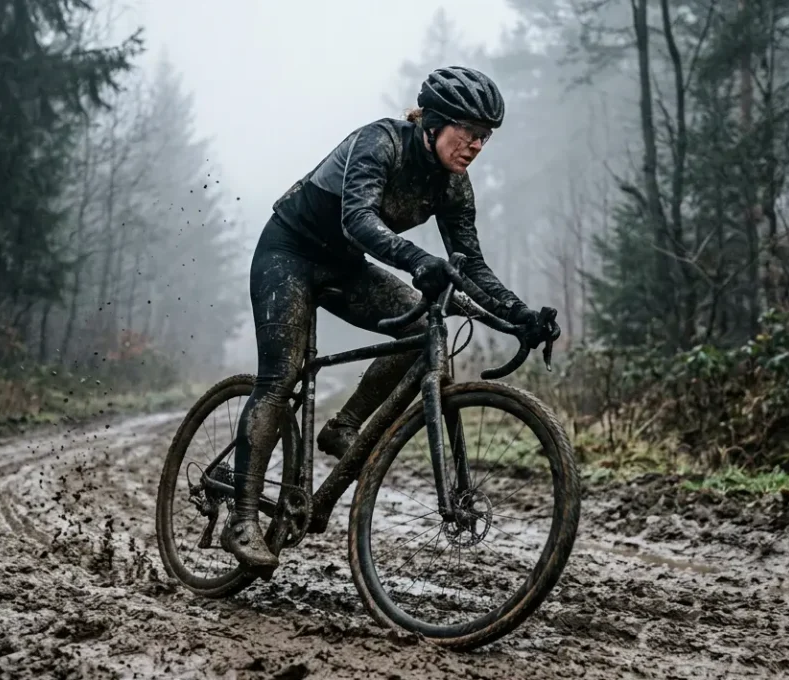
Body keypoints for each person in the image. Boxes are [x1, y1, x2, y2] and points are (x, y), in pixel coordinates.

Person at [224, 66, 560, 568]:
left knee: (421, 330)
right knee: (282, 376)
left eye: (484, 137)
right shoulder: (380, 142)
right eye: (468, 131)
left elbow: (472, 266)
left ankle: (344, 425)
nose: (475, 145)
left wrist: (520, 314)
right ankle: (242, 519)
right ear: (435, 123)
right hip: (289, 251)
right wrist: (419, 261)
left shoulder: (454, 185)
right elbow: (357, 219)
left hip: (344, 267)